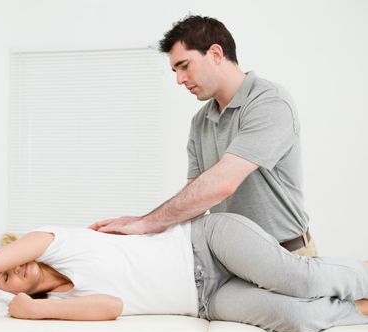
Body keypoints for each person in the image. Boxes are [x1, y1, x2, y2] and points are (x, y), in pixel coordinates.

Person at [0, 213, 368, 332]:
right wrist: (29, 312)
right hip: (207, 300)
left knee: (303, 280)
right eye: (7, 279)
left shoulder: (51, 239)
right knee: (298, 320)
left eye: (6, 262)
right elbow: (111, 308)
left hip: (207, 242)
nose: (16, 268)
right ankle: (361, 311)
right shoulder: (58, 307)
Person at [89, 15, 316, 256]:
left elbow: (221, 184)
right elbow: (196, 198)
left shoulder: (268, 102)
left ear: (216, 54)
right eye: (175, 70)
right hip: (233, 260)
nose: (179, 79)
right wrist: (141, 222)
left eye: (184, 66)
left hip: (287, 255)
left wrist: (146, 223)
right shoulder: (200, 122)